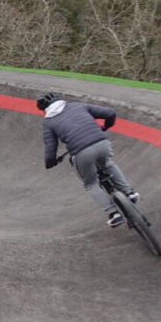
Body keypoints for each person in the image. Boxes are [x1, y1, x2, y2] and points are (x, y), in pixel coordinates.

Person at [38, 92, 141, 227]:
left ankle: (113, 213)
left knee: (91, 183)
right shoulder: (77, 106)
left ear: (44, 109)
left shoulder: (49, 122)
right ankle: (130, 193)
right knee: (108, 163)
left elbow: (51, 148)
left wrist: (50, 163)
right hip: (101, 142)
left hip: (81, 152)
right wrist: (106, 126)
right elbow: (110, 113)